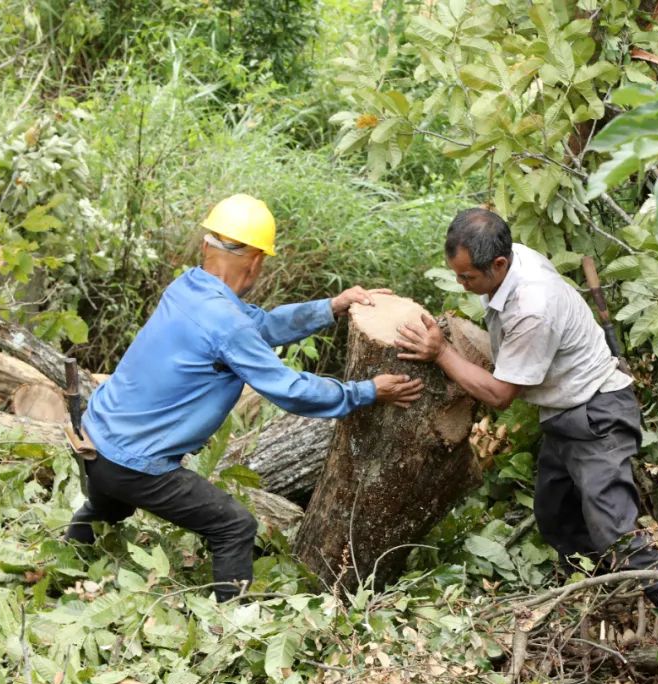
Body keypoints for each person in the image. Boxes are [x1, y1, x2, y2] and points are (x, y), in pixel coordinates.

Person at [67, 193, 424, 602]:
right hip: (131, 463)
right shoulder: (225, 323)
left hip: (93, 438)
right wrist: (368, 391)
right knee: (234, 526)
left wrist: (332, 307)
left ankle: (64, 561)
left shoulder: (187, 289)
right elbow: (291, 390)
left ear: (206, 246)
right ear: (256, 262)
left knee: (108, 505)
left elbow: (263, 325)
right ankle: (229, 632)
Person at [394, 208, 658, 617]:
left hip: (597, 414)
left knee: (616, 532)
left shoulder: (533, 305)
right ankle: (607, 597)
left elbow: (500, 395)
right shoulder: (510, 259)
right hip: (563, 413)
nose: (463, 287)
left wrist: (442, 352)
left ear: (499, 263)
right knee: (556, 517)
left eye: (469, 278)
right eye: (458, 275)